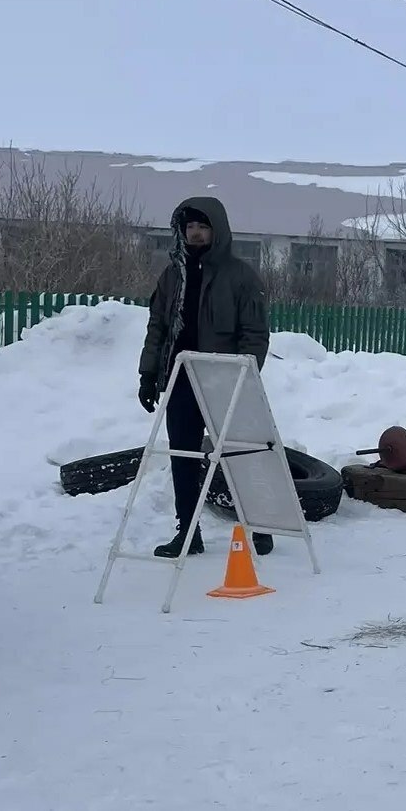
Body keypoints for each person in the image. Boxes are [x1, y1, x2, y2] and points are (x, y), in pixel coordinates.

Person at [136, 196, 272, 559]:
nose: (195, 234)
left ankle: (258, 525)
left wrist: (245, 374)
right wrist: (148, 374)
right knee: (183, 455)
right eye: (189, 227)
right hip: (181, 377)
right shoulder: (172, 274)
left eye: (202, 227)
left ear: (217, 230)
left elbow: (255, 334)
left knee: (239, 454)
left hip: (225, 378)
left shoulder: (241, 276)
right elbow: (158, 327)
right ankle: (188, 531)